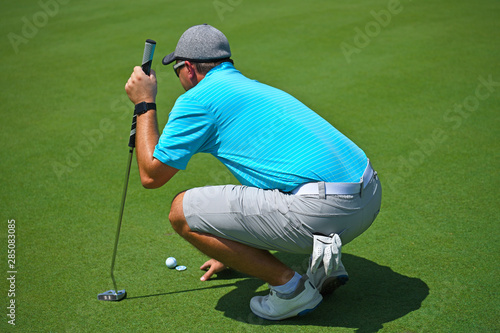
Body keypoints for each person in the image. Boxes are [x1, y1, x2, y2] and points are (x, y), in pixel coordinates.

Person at [125, 24, 382, 321]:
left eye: (177, 70)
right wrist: (232, 250)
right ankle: (322, 263)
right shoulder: (252, 86)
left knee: (180, 211)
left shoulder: (196, 100)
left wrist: (145, 102)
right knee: (275, 188)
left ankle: (292, 290)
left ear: (190, 70)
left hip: (326, 210)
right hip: (369, 197)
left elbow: (151, 175)